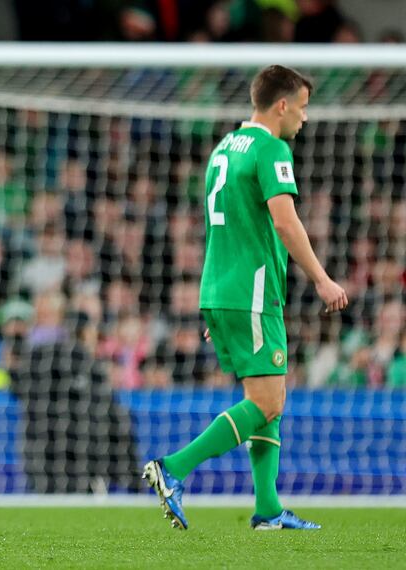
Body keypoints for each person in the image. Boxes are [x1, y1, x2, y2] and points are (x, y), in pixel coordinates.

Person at [143, 65, 348, 531]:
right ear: (282, 105)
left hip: (224, 287)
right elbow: (285, 220)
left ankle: (269, 509)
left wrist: (218, 300)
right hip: (252, 290)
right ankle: (174, 467)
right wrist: (321, 278)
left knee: (268, 395)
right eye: (302, 107)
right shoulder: (270, 147)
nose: (305, 118)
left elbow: (223, 224)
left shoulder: (224, 147)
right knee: (268, 401)